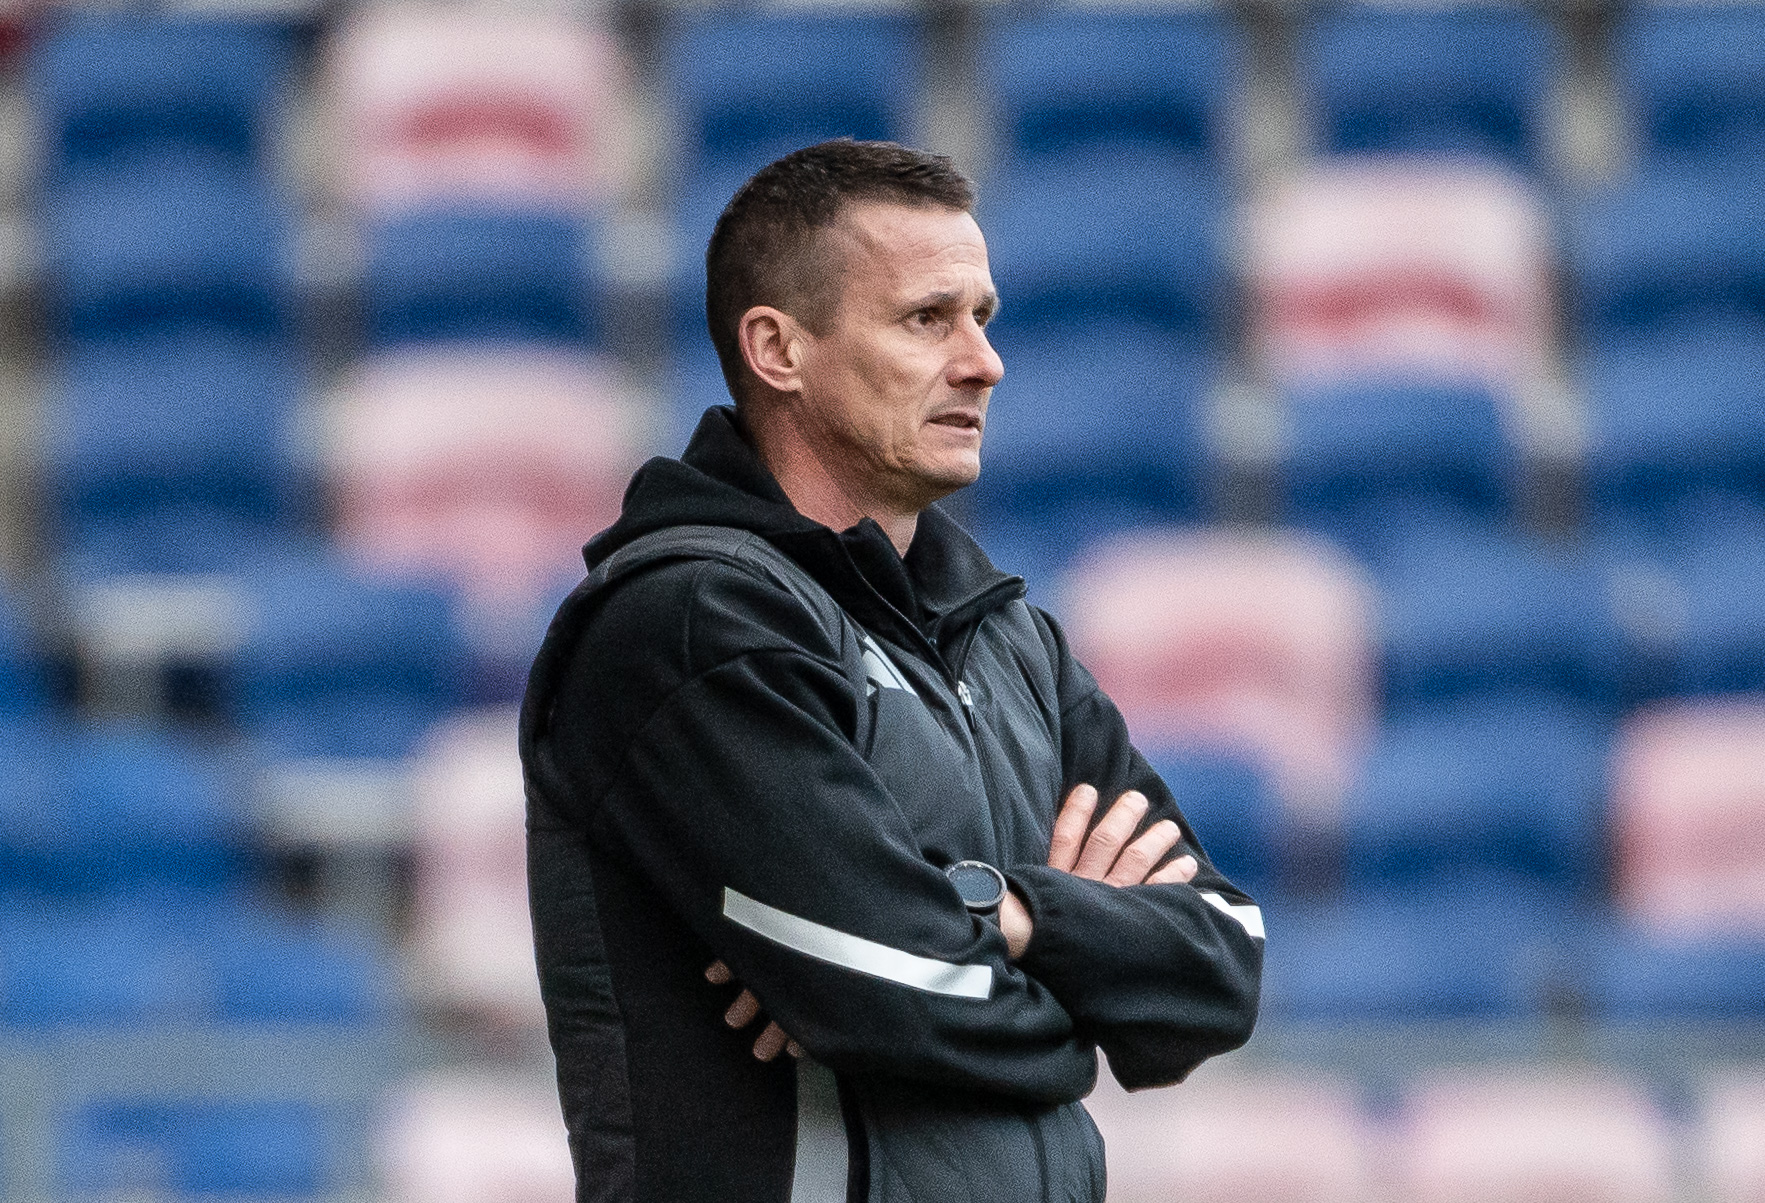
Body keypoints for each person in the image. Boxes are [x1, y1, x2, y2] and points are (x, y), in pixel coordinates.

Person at [519, 139, 1263, 1203]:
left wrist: (1000, 913)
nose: (982, 362)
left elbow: (1222, 963)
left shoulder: (1013, 641)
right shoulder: (687, 624)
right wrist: (1086, 997)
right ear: (777, 349)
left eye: (983, 317)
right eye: (926, 320)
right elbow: (890, 991)